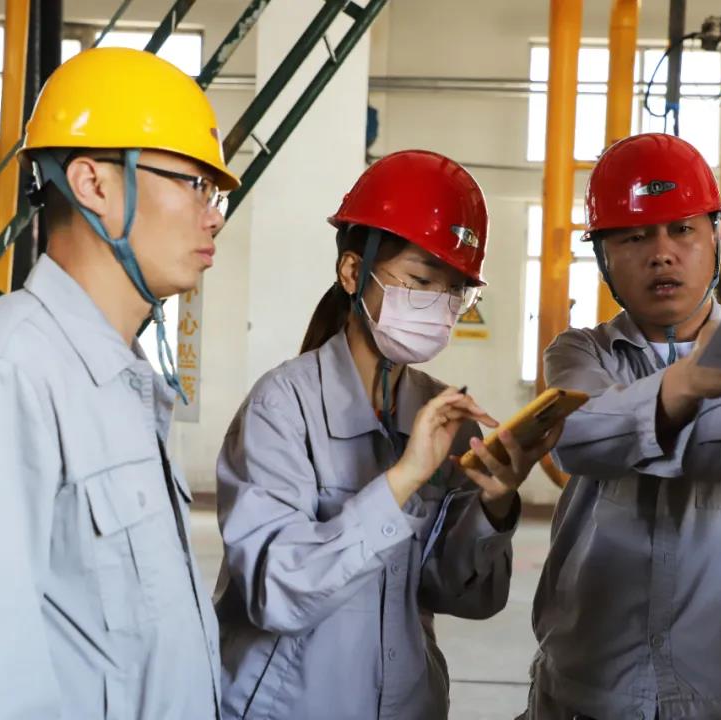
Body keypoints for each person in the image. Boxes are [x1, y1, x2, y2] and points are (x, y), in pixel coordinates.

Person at [0, 47, 238, 718]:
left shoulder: (120, 381)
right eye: (194, 183)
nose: (213, 214)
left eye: (213, 192)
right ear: (93, 183)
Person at [215, 150, 564, 720]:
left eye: (455, 290)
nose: (438, 305)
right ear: (354, 273)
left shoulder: (441, 414)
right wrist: (402, 480)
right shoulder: (283, 407)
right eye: (421, 281)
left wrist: (494, 505)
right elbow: (276, 594)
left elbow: (465, 596)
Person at [524, 133, 721, 720]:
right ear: (604, 257)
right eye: (634, 237)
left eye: (682, 230)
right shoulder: (580, 353)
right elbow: (577, 440)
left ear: (715, 238)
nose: (662, 254)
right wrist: (691, 381)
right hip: (591, 685)